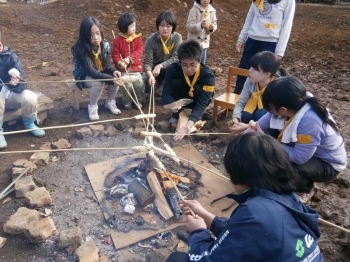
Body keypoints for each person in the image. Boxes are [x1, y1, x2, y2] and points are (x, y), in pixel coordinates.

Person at [166, 133, 324, 262]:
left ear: (238, 175)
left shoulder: (255, 211)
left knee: (178, 259)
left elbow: (209, 259)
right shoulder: (287, 198)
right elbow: (245, 233)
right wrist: (208, 218)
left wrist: (198, 232)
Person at [230, 76, 347, 193]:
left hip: (326, 163)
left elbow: (298, 157)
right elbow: (259, 126)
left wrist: (269, 143)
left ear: (283, 110)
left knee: (280, 167)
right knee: (266, 136)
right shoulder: (290, 104)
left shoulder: (310, 121)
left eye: (270, 107)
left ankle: (302, 189)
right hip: (304, 150)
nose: (270, 111)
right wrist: (244, 140)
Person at [233, 0, 295, 94]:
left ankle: (261, 103)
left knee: (264, 75)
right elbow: (250, 17)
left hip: (271, 42)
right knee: (244, 71)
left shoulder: (288, 1)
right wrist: (241, 38)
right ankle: (238, 100)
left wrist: (279, 51)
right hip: (252, 41)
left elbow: (287, 25)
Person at [0, 27, 45, 150]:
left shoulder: (11, 57)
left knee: (30, 97)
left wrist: (16, 81)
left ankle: (29, 123)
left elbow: (24, 84)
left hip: (11, 93)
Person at [71, 17, 123, 121]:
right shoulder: (81, 49)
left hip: (99, 71)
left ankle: (110, 101)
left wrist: (113, 71)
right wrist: (110, 78)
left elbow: (107, 65)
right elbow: (92, 72)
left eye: (98, 33)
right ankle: (93, 106)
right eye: (91, 35)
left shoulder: (104, 45)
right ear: (84, 35)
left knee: (114, 76)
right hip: (84, 75)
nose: (96, 38)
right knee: (99, 82)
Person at [162, 40, 215, 141]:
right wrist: (173, 104)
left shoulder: (208, 76)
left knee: (199, 89)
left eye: (192, 65)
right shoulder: (173, 69)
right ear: (179, 61)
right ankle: (178, 113)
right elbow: (165, 93)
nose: (188, 69)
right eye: (184, 65)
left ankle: (194, 116)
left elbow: (202, 103)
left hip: (196, 100)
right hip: (180, 100)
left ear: (199, 61)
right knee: (176, 83)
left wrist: (188, 126)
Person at [232, 51, 288, 124]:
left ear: (267, 74)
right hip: (255, 111)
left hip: (273, 119)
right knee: (245, 115)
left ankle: (261, 133)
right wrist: (236, 118)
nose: (249, 71)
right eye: (251, 66)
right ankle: (252, 132)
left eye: (255, 69)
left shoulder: (278, 86)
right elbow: (241, 102)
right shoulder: (250, 81)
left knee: (261, 113)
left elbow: (279, 114)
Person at [143, 11, 182, 96]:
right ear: (158, 26)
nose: (165, 29)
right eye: (162, 25)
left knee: (177, 80)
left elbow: (176, 58)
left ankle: (168, 91)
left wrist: (160, 66)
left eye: (168, 26)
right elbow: (147, 62)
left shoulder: (177, 37)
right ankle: (159, 88)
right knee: (147, 85)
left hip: (169, 69)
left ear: (173, 27)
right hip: (154, 71)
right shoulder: (151, 40)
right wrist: (150, 75)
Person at [111, 12, 145, 110]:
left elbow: (139, 51)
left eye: (135, 26)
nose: (134, 28)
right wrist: (119, 62)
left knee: (139, 83)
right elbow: (115, 54)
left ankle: (138, 100)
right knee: (126, 85)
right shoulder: (117, 40)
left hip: (135, 68)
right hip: (122, 70)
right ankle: (127, 101)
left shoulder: (137, 38)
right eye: (131, 26)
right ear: (124, 27)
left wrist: (129, 59)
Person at [186, 0, 217, 64]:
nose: (205, 1)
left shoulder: (212, 11)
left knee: (202, 64)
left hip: (204, 44)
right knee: (192, 63)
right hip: (194, 44)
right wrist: (200, 25)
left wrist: (212, 27)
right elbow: (189, 26)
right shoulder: (194, 10)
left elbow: (215, 23)